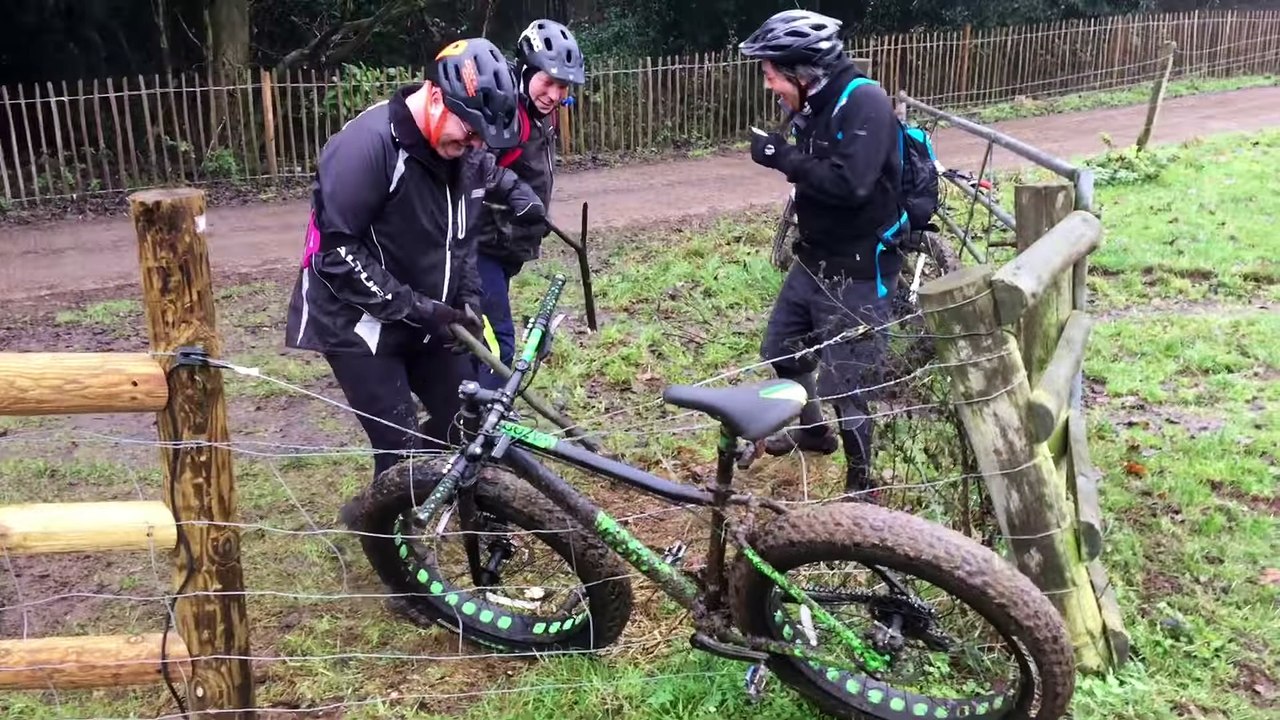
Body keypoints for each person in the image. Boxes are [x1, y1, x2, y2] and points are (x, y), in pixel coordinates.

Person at [284, 37, 540, 485]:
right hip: (356, 322)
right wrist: (422, 310)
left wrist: (468, 301)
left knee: (470, 423)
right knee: (401, 457)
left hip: (426, 315)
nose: (475, 144)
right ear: (437, 95)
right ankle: (391, 539)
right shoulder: (367, 146)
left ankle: (457, 500)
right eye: (470, 130)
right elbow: (335, 254)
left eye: (482, 137)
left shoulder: (464, 154)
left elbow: (462, 242)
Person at [739, 10, 908, 498]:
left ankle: (862, 486)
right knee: (781, 347)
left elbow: (851, 184)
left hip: (860, 265)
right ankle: (814, 431)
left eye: (772, 74)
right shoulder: (816, 104)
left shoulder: (865, 103)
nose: (770, 85)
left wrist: (781, 157)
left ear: (801, 70)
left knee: (847, 382)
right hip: (816, 259)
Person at [470, 19, 585, 389]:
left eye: (562, 86)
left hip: (505, 247)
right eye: (547, 81)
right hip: (477, 247)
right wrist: (514, 188)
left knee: (474, 333)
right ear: (525, 70)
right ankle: (488, 423)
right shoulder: (504, 112)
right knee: (497, 344)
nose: (553, 94)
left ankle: (461, 406)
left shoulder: (538, 113)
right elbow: (469, 163)